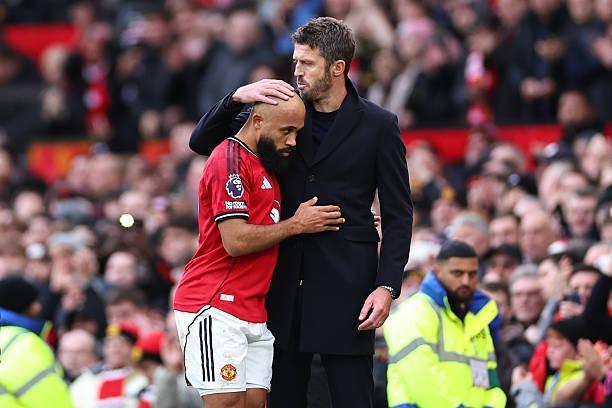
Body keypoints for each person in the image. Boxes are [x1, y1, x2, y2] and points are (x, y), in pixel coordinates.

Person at [188, 16, 413, 407]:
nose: (297, 71)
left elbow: (398, 213)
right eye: (295, 61)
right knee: (284, 398)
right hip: (282, 283)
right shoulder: (281, 109)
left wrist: (387, 285)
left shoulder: (379, 125)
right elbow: (201, 142)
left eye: (307, 63)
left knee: (352, 398)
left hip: (348, 287)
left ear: (337, 67)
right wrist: (236, 96)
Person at [173, 94, 345, 408]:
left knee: (255, 403)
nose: (292, 141)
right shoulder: (230, 160)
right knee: (227, 403)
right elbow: (236, 240)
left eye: (297, 132)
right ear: (257, 121)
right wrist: (296, 225)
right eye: (286, 131)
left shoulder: (266, 164)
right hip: (215, 303)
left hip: (253, 308)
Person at [384, 240, 507, 407]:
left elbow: (491, 382)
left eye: (472, 274)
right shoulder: (413, 312)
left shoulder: (478, 321)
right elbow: (422, 378)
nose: (466, 281)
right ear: (437, 272)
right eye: (457, 273)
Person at [0, 276, 74, 407]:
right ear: (23, 305)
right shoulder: (24, 343)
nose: (39, 307)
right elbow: (50, 400)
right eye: (34, 302)